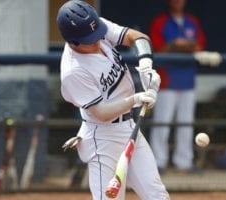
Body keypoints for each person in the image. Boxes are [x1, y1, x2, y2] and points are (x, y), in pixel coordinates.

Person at [57, 1, 169, 199]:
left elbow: (138, 37)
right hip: (102, 138)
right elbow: (101, 112)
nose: (97, 41)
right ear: (73, 41)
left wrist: (146, 66)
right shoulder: (73, 71)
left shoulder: (94, 27)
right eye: (89, 40)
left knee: (157, 194)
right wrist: (135, 99)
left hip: (129, 127)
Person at [149, 0, 206, 173]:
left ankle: (184, 162)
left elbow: (199, 46)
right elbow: (157, 49)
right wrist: (175, 44)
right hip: (167, 79)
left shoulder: (191, 21)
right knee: (161, 123)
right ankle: (158, 162)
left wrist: (186, 46)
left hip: (187, 79)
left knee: (186, 123)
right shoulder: (160, 22)